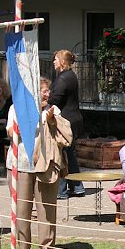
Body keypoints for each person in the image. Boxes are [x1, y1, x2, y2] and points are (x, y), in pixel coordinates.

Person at [6, 76, 72, 249]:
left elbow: (64, 136)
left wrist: (50, 121)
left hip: (46, 165)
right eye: (43, 90)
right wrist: (19, 128)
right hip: (20, 164)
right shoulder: (16, 108)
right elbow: (10, 131)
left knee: (46, 210)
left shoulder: (53, 111)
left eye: (47, 91)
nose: (47, 94)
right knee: (21, 211)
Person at [49, 50, 86, 199]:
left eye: (55, 59)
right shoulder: (71, 76)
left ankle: (61, 190)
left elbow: (55, 99)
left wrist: (45, 100)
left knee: (61, 153)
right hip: (74, 118)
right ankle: (77, 187)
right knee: (69, 153)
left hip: (65, 121)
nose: (53, 62)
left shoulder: (63, 78)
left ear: (62, 62)